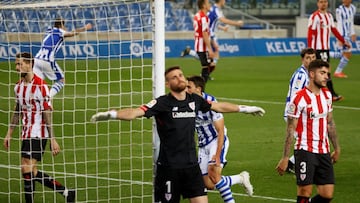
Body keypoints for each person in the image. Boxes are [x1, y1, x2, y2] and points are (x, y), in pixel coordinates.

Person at [90, 66, 265, 203]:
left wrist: (245, 109)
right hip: (169, 169)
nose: (179, 78)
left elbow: (219, 107)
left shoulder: (195, 100)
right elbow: (136, 112)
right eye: (174, 77)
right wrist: (112, 114)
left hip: (191, 167)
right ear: (168, 83)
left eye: (181, 75)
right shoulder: (162, 103)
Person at [3, 52, 75, 203]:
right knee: (31, 171)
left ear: (30, 65)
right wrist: (9, 133)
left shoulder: (41, 86)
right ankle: (66, 192)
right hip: (25, 133)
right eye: (16, 64)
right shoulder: (18, 87)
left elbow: (47, 113)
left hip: (39, 133)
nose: (16, 67)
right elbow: (17, 110)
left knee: (26, 168)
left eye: (19, 64)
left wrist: (52, 139)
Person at [276, 59, 341, 203]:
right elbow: (290, 129)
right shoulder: (299, 99)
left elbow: (330, 122)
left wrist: (336, 148)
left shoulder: (327, 95)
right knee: (305, 191)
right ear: (312, 74)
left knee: (327, 194)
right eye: (322, 73)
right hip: (305, 150)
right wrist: (286, 157)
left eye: (327, 73)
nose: (326, 77)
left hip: (323, 150)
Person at [187, 76, 255, 203]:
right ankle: (240, 179)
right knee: (209, 184)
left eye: (188, 87)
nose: (185, 89)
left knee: (214, 174)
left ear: (198, 89)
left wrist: (217, 155)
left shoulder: (211, 101)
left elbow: (221, 131)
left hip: (216, 140)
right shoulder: (187, 102)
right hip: (202, 145)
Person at [181, 0, 243, 79]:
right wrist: (237, 23)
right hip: (209, 35)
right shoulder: (215, 10)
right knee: (213, 55)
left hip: (208, 35)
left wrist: (222, 27)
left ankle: (204, 72)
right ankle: (203, 75)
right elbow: (222, 20)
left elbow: (211, 23)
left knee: (209, 56)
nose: (225, 1)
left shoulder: (210, 11)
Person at [34, 18, 92, 98]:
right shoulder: (60, 31)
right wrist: (85, 28)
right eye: (64, 26)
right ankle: (48, 98)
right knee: (61, 80)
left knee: (37, 82)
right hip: (47, 60)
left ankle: (34, 100)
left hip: (36, 60)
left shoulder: (49, 31)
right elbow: (72, 33)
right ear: (61, 25)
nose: (65, 28)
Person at [307, 0, 350, 102]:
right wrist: (310, 48)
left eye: (325, 1)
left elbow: (334, 30)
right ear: (318, 4)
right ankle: (331, 94)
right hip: (317, 49)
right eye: (321, 2)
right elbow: (311, 32)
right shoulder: (315, 16)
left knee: (319, 72)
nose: (323, 4)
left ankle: (318, 93)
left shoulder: (329, 16)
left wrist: (343, 41)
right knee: (324, 72)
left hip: (325, 49)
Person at [283, 48, 317, 173]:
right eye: (308, 58)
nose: (311, 60)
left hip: (304, 114)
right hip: (295, 114)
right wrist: (293, 116)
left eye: (313, 58)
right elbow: (295, 97)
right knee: (307, 141)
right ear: (302, 59)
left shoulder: (311, 73)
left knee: (308, 140)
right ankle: (294, 164)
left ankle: (291, 164)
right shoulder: (301, 75)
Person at [333, 0, 357, 78]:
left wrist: (352, 33)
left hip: (348, 35)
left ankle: (338, 71)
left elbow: (351, 22)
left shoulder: (353, 8)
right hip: (342, 35)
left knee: (345, 54)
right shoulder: (339, 10)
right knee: (347, 53)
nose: (345, 1)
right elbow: (339, 23)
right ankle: (337, 71)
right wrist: (340, 38)